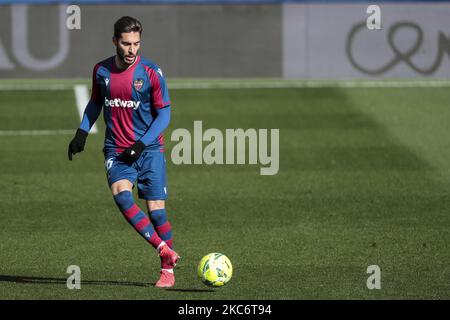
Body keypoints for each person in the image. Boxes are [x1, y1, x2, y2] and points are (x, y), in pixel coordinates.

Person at [67, 16, 179, 288]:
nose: (132, 50)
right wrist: (82, 131)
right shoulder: (101, 71)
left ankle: (167, 271)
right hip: (116, 150)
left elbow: (164, 114)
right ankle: (163, 249)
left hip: (149, 149)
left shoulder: (151, 73)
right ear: (115, 41)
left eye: (136, 44)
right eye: (126, 44)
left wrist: (141, 145)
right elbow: (95, 102)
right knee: (121, 195)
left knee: (157, 213)